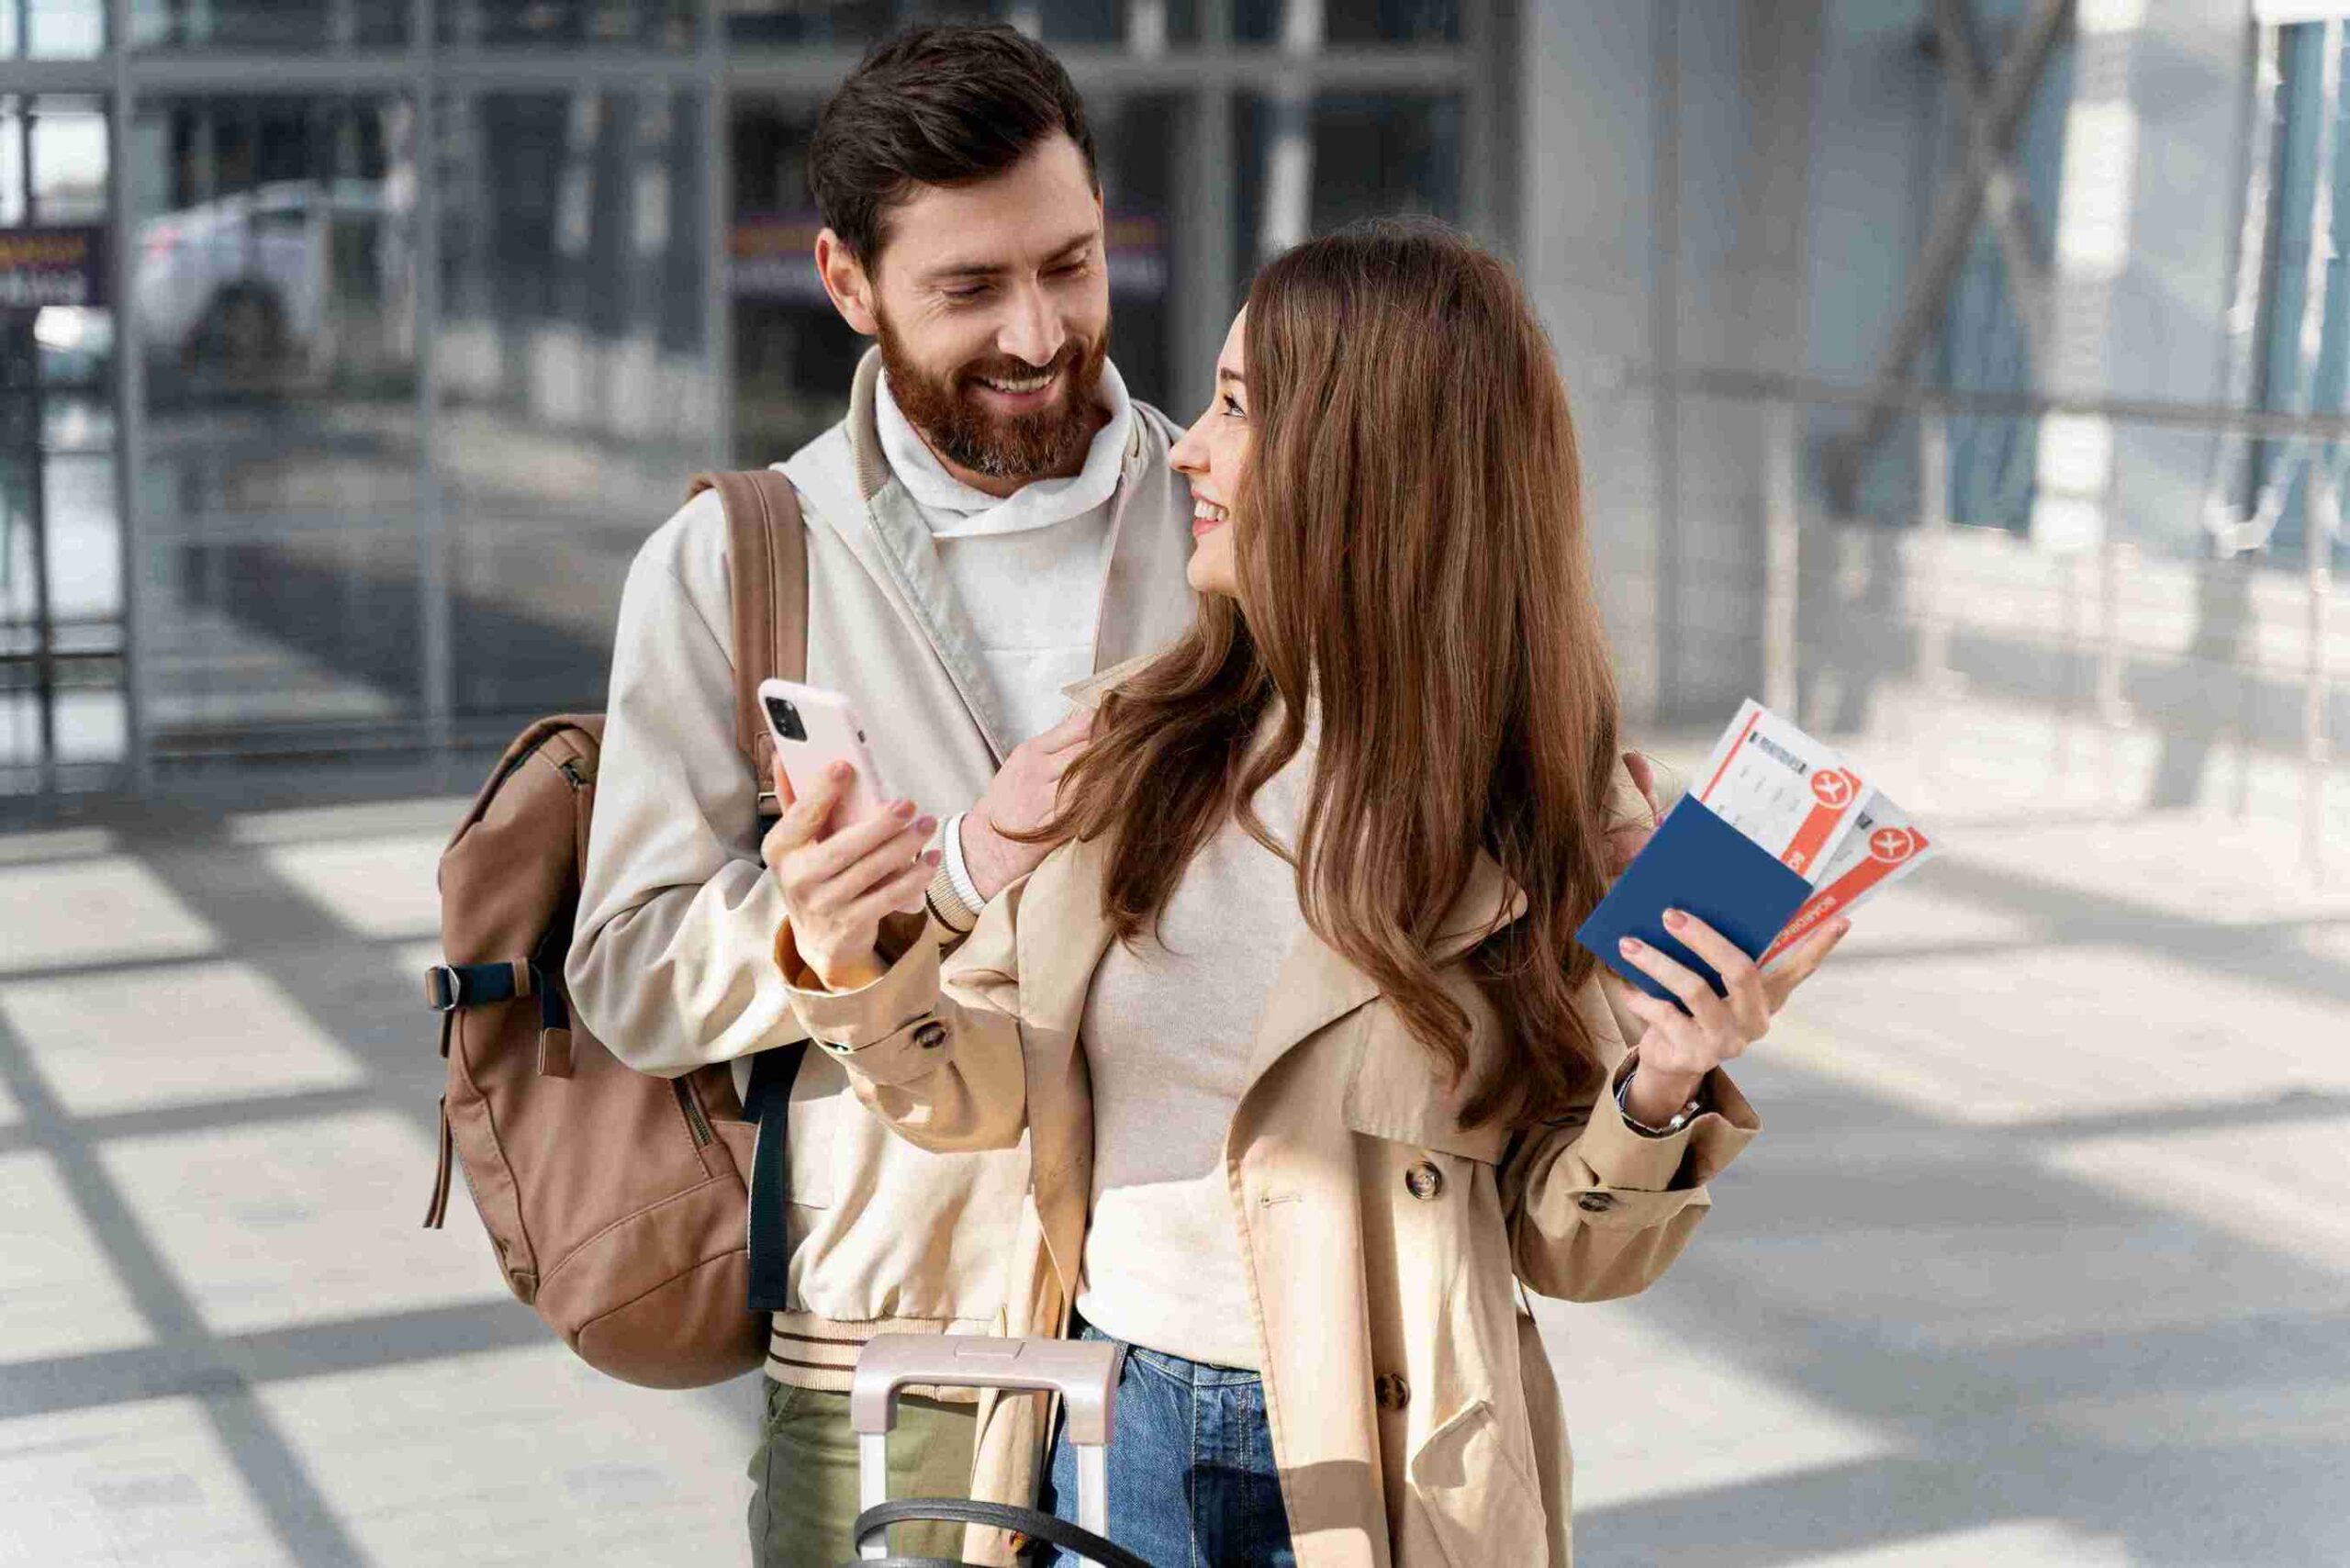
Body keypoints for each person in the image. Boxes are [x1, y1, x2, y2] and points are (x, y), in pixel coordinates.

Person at [761, 218, 1851, 1568]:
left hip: (1384, 1465)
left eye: (1235, 408)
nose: (1189, 449)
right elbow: (972, 1094)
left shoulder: (1558, 815)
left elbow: (1570, 1250)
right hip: (1109, 1423)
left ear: (1367, 459)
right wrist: (858, 961)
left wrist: (1664, 1084)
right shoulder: (1125, 746)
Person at [564, 26, 1199, 1567]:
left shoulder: (1227, 521)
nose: (1043, 332)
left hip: (1196, 1345)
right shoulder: (732, 562)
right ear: (846, 284)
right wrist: (873, 906)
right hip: (894, 1339)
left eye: (1072, 264)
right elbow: (628, 976)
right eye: (970, 290)